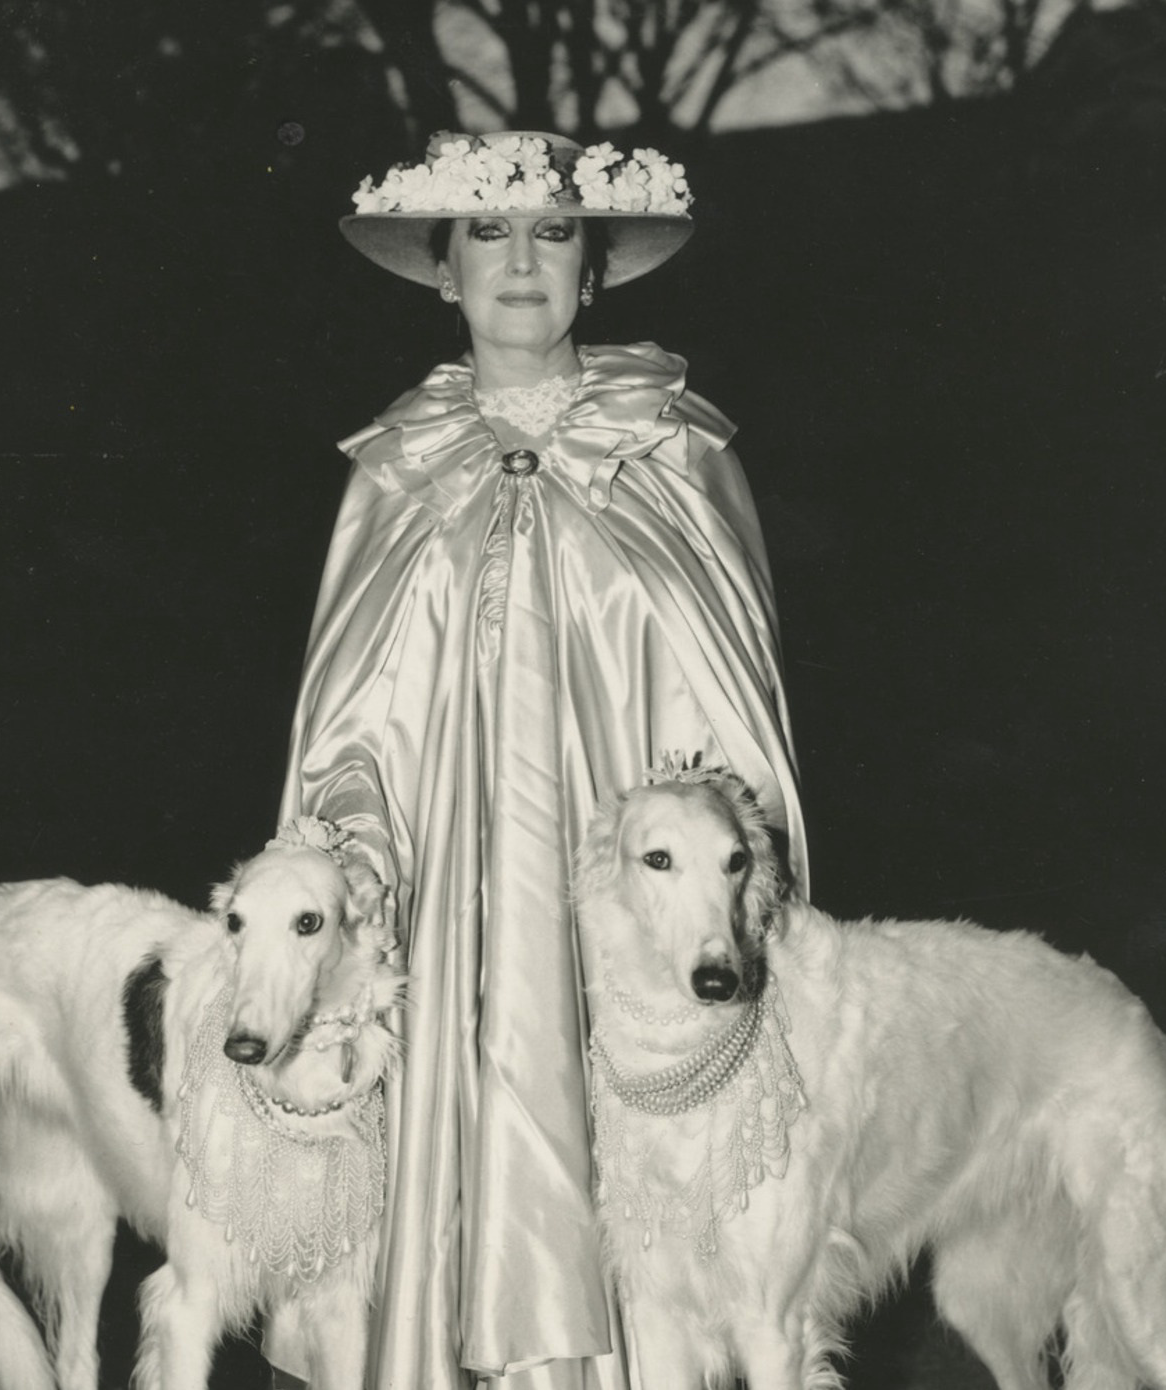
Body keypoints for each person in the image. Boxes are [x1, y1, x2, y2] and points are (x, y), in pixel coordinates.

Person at [272, 131, 807, 1390]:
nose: (521, 262)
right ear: (442, 272)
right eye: (489, 235)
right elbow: (348, 716)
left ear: (595, 268)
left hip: (627, 908)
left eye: (553, 234)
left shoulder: (674, 448)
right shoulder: (391, 474)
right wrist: (353, 863)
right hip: (453, 899)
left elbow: (735, 708)